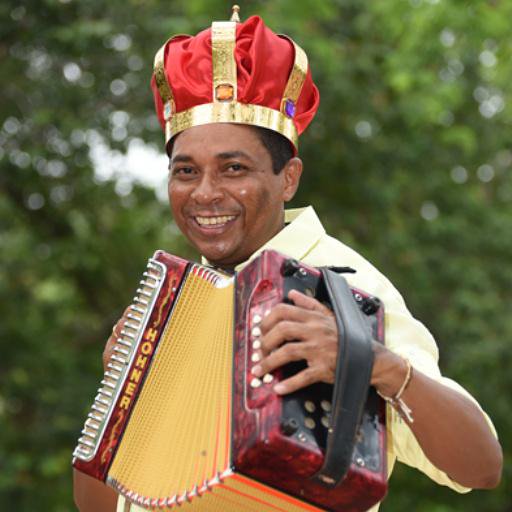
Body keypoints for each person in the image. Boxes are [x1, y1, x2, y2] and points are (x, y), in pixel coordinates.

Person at [73, 7, 502, 512]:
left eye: (234, 168)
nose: (205, 193)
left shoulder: (346, 286)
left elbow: (480, 466)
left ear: (288, 178)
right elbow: (98, 505)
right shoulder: (174, 308)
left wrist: (371, 363)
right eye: (185, 172)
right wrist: (120, 394)